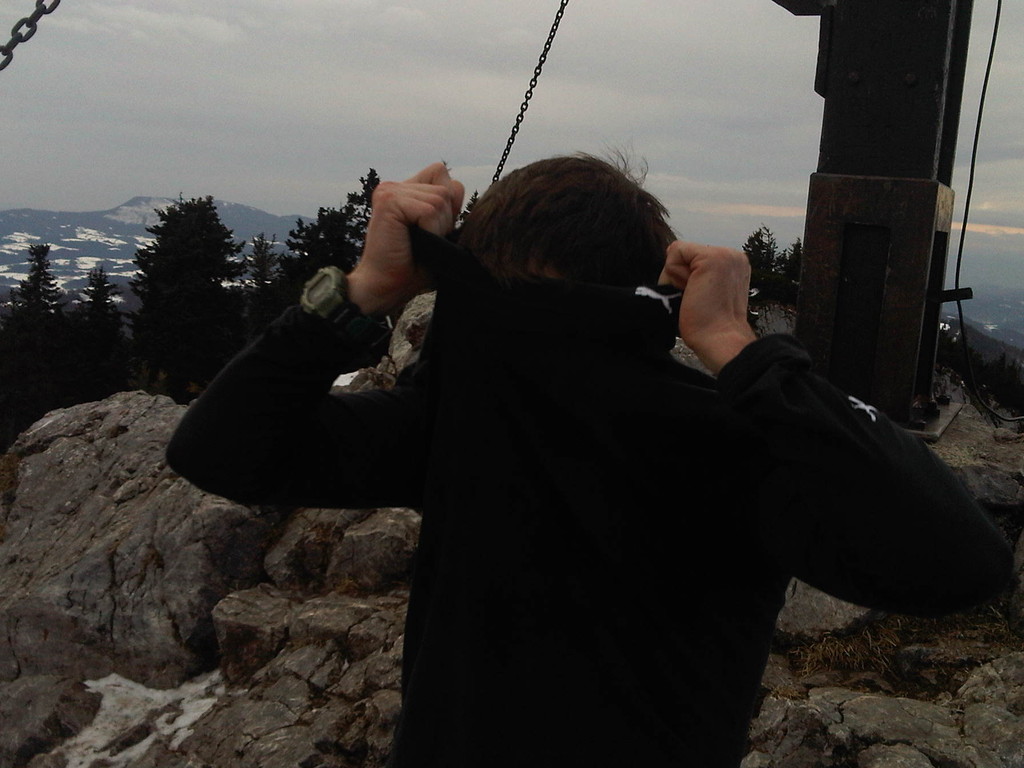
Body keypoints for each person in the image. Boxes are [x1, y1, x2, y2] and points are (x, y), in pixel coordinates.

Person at [167, 156, 1013, 767]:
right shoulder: (720, 435)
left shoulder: (713, 442)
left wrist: (367, 293)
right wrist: (740, 352)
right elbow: (219, 449)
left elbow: (963, 563)